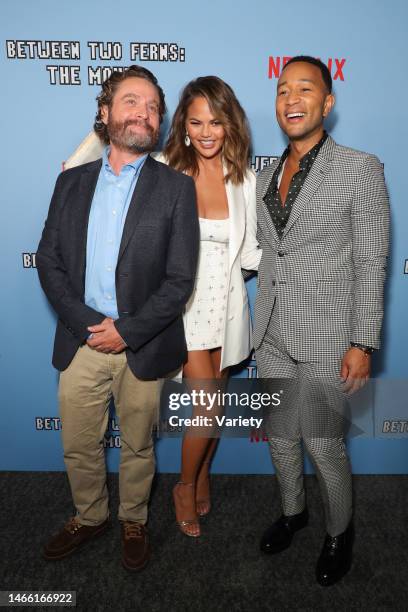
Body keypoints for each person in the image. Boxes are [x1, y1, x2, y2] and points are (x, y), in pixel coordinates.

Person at [36, 65, 199, 571]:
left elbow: (179, 280)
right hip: (81, 340)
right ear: (105, 113)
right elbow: (49, 260)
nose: (144, 113)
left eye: (152, 106)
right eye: (131, 101)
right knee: (80, 444)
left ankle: (133, 517)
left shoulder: (175, 188)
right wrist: (89, 323)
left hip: (142, 346)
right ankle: (90, 516)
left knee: (138, 446)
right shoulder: (71, 183)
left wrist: (125, 331)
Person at [254, 56, 389, 585]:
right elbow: (269, 252)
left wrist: (363, 340)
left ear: (326, 103)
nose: (291, 98)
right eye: (283, 89)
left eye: (304, 89)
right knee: (282, 437)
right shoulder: (265, 173)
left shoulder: (361, 167)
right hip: (269, 329)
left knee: (324, 443)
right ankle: (294, 512)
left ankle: (339, 531)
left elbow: (371, 259)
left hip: (329, 335)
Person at [161, 76, 261, 537]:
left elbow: (253, 252)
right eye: (196, 121)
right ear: (183, 124)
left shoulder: (243, 177)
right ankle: (184, 485)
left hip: (226, 305)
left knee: (214, 408)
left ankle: (201, 474)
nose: (206, 132)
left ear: (229, 125)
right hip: (183, 307)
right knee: (205, 408)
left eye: (215, 122)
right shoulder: (163, 169)